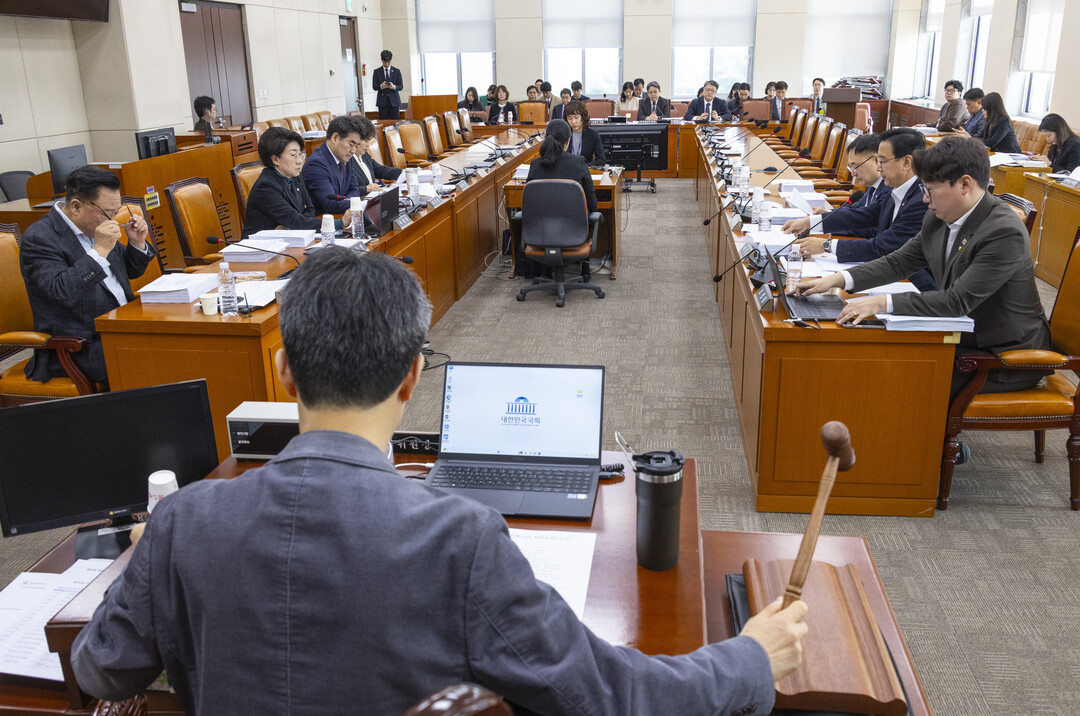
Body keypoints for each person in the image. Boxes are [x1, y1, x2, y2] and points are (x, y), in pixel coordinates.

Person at [70, 246, 809, 715]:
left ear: (284, 370)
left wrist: (145, 558)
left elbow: (100, 671)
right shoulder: (460, 538)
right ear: (412, 378)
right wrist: (748, 659)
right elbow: (609, 696)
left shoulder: (183, 520)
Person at [793, 136, 1051, 399]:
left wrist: (880, 303)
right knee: (867, 354)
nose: (925, 199)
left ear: (965, 184)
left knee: (889, 377)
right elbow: (898, 262)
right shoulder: (938, 216)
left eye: (930, 189)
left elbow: (956, 302)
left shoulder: (1003, 231)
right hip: (957, 335)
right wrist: (837, 280)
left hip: (1001, 355)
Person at [19, 166, 154, 384]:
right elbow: (61, 291)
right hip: (80, 346)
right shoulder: (39, 238)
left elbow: (130, 271)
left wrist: (137, 243)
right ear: (76, 206)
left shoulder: (93, 226)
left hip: (122, 328)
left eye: (117, 211)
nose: (114, 219)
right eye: (108, 212)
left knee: (182, 342)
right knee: (159, 361)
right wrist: (99, 251)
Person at [784, 128, 935, 291]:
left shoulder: (921, 199)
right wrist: (810, 222)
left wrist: (827, 245)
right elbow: (863, 215)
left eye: (882, 161)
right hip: (889, 276)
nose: (879, 168)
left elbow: (884, 247)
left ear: (906, 162)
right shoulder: (896, 190)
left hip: (914, 286)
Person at [241, 127, 350, 238]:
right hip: (261, 245)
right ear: (275, 159)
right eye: (293, 156)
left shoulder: (294, 175)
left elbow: (310, 209)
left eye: (300, 155)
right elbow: (295, 220)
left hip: (290, 238)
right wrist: (340, 223)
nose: (299, 161)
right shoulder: (266, 187)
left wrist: (296, 225)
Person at [807, 133, 886, 230]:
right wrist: (828, 213)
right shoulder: (873, 185)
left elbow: (869, 227)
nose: (853, 174)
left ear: (876, 160)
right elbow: (857, 210)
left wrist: (822, 225)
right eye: (851, 168)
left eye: (855, 166)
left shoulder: (887, 191)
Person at [301, 116, 363, 215]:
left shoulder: (346, 157)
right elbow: (330, 204)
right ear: (335, 138)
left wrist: (351, 201)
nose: (353, 151)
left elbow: (354, 189)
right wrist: (358, 204)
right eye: (351, 145)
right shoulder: (316, 164)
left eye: (356, 146)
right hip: (323, 220)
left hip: (343, 214)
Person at [350, 116, 403, 196]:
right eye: (366, 141)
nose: (368, 145)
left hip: (374, 198)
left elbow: (381, 170)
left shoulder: (364, 155)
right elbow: (346, 191)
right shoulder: (346, 160)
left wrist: (403, 172)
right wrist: (366, 189)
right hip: (360, 200)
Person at [564, 101, 606, 166]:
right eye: (569, 118)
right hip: (566, 169)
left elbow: (601, 160)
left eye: (576, 118)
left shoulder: (593, 135)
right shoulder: (563, 134)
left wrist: (583, 167)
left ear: (583, 117)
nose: (573, 122)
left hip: (585, 170)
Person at [373, 50, 403, 120]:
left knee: (395, 123)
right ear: (382, 60)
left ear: (391, 60)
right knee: (383, 123)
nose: (387, 64)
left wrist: (393, 87)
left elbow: (401, 86)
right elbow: (374, 86)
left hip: (394, 103)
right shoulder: (377, 72)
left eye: (388, 62)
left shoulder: (397, 71)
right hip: (382, 103)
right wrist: (381, 86)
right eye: (385, 62)